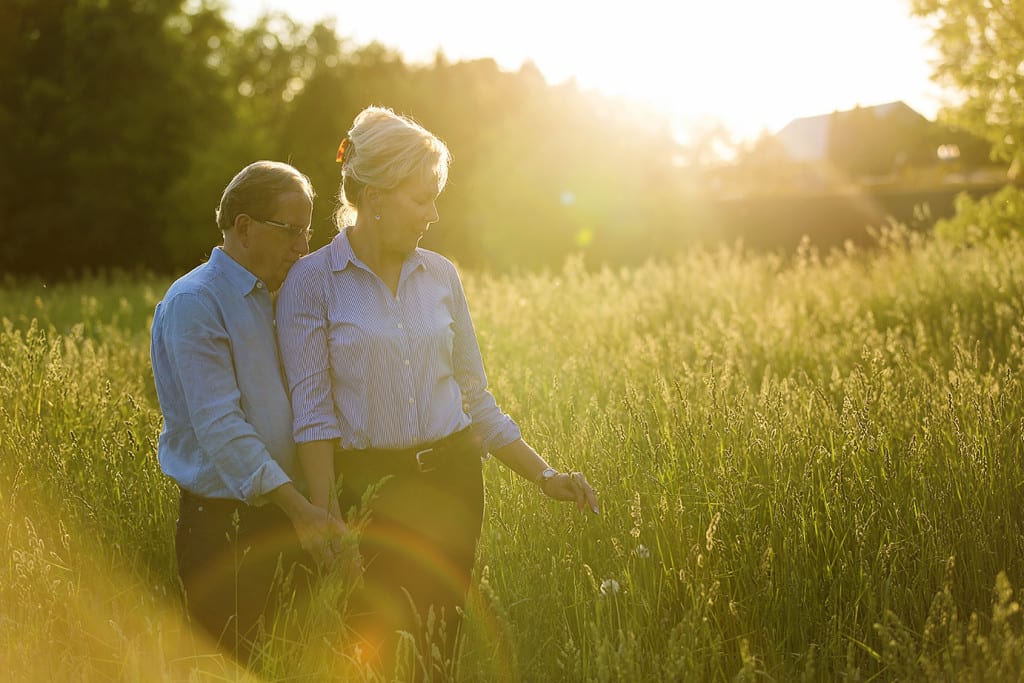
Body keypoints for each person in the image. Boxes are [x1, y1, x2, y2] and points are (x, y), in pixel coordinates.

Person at [275, 106, 600, 672]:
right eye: (421, 198)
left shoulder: (442, 276)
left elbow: (476, 399)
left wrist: (545, 474)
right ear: (374, 196)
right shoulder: (313, 282)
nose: (433, 213)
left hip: (453, 486)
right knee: (374, 649)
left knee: (438, 651)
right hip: (368, 495)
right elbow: (313, 413)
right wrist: (328, 520)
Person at [150, 160, 347, 664]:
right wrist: (300, 510)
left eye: (308, 232)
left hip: (284, 518)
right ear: (244, 227)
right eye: (292, 231)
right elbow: (222, 428)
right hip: (224, 529)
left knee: (290, 664)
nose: (304, 246)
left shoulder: (276, 296)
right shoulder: (197, 302)